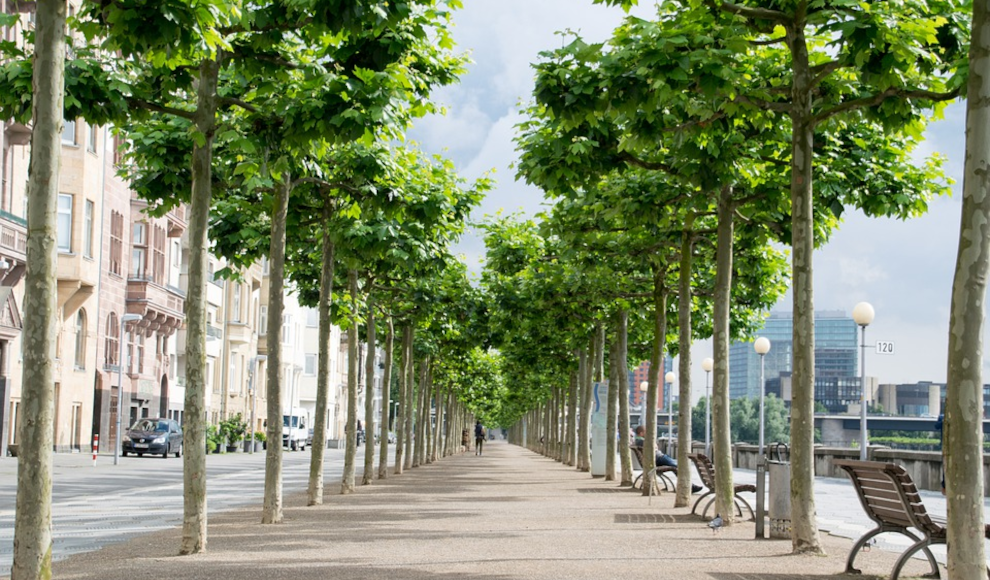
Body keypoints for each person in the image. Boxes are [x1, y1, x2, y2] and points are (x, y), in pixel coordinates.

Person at [633, 425, 702, 493]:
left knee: (677, 466)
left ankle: (688, 485)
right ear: (641, 433)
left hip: (658, 459)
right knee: (679, 466)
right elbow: (655, 447)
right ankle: (688, 486)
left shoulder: (639, 441)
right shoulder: (642, 441)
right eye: (646, 431)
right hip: (659, 458)